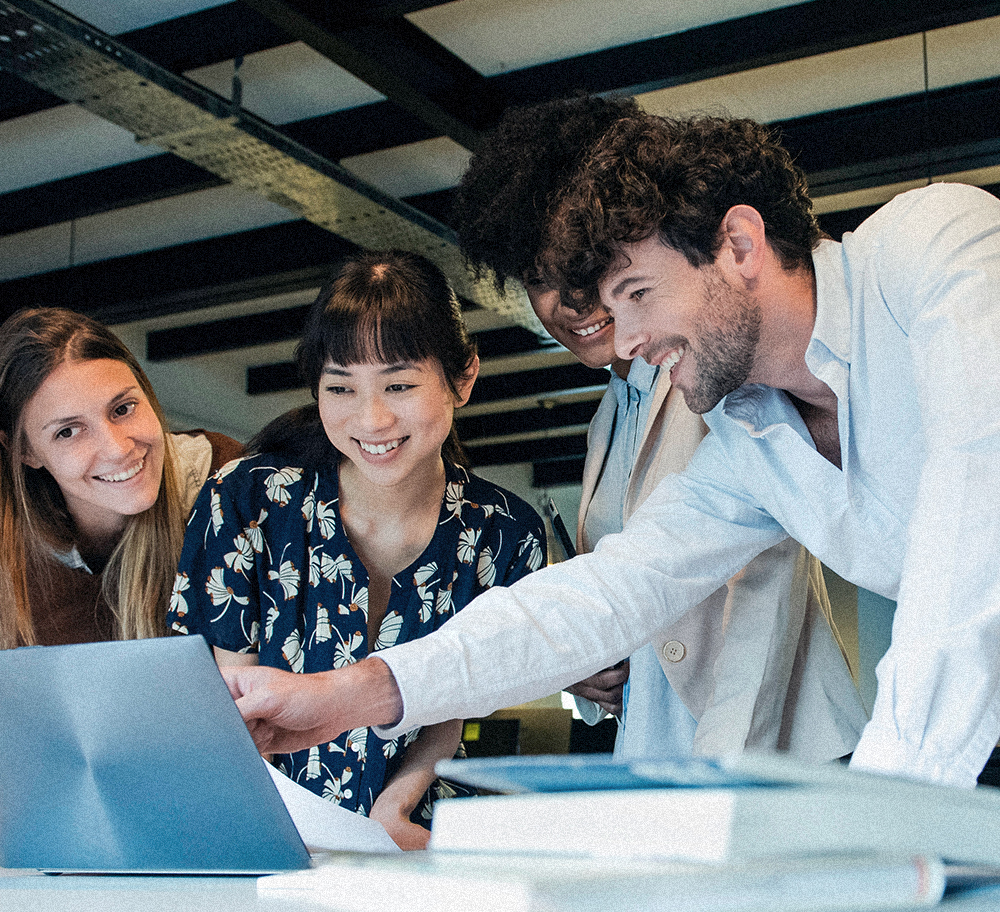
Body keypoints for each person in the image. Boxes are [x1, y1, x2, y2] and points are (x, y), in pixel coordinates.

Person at [220, 113, 1000, 790]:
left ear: (737, 243)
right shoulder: (749, 434)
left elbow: (977, 506)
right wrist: (348, 694)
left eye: (637, 294)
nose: (624, 339)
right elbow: (605, 593)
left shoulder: (936, 247)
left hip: (924, 748)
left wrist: (887, 811)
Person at [450, 95, 864, 760]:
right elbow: (621, 592)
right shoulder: (610, 415)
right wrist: (586, 670)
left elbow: (761, 595)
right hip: (658, 751)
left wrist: (716, 779)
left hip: (767, 754)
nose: (573, 301)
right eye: (539, 278)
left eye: (583, 267)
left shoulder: (716, 374)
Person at [169, 250, 546, 848]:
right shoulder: (244, 501)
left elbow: (450, 705)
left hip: (415, 824)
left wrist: (393, 811)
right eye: (340, 387)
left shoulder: (506, 532)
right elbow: (236, 709)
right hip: (265, 824)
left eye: (398, 384)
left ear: (463, 377)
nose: (372, 419)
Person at [0, 306, 240, 649]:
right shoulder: (12, 545)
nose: (117, 448)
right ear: (25, 451)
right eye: (68, 431)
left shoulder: (234, 480)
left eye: (123, 408)